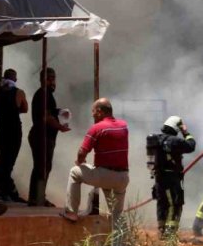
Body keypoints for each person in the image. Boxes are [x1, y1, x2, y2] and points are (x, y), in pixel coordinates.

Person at [61, 98, 129, 232]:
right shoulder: (124, 126)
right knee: (117, 216)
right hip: (122, 178)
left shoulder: (96, 128)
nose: (92, 115)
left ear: (99, 111)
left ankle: (71, 213)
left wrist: (80, 162)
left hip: (104, 175)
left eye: (93, 111)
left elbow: (82, 151)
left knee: (75, 172)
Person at [28, 67, 71, 207]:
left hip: (43, 136)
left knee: (43, 166)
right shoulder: (43, 94)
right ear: (42, 80)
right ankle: (37, 198)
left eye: (54, 78)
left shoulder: (46, 95)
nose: (53, 82)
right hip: (41, 136)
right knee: (42, 167)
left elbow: (49, 112)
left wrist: (59, 112)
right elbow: (46, 117)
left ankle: (37, 197)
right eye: (49, 78)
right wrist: (61, 127)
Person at [151, 115, 197, 236]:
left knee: (162, 202)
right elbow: (191, 145)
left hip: (159, 177)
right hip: (171, 177)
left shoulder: (156, 139)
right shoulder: (175, 141)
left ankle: (162, 228)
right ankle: (169, 232)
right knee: (174, 203)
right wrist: (185, 132)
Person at [0, 69, 28, 203]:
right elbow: (25, 109)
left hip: (0, 130)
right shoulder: (19, 92)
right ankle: (6, 191)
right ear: (15, 79)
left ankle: (3, 189)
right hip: (14, 131)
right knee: (9, 161)